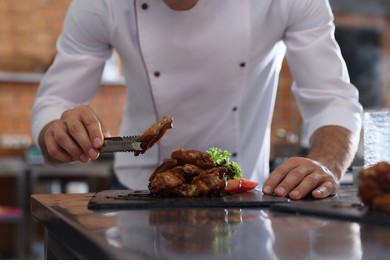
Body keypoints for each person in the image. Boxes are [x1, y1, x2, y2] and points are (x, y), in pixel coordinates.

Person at [30, 0, 363, 200]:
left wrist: (326, 163)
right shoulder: (99, 4)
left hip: (246, 192)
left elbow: (331, 96)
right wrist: (58, 132)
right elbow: (56, 99)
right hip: (135, 192)